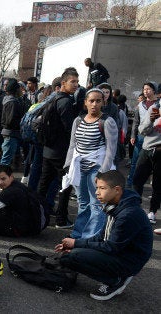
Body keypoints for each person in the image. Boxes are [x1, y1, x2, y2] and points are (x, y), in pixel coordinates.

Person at [56, 170, 152, 301]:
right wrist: (74, 243)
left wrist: (76, 244)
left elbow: (111, 247)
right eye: (97, 188)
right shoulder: (114, 205)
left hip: (129, 260)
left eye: (102, 188)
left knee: (73, 256)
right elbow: (101, 236)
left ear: (117, 189)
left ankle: (116, 280)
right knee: (67, 256)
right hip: (119, 252)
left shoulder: (128, 214)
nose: (97, 192)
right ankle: (114, 274)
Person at [63, 88, 118, 239]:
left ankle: (90, 237)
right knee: (82, 202)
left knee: (96, 204)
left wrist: (102, 173)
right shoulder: (78, 120)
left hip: (97, 167)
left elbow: (111, 150)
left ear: (103, 102)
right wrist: (68, 166)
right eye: (91, 101)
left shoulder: (107, 121)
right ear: (85, 102)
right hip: (79, 167)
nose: (94, 104)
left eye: (98, 101)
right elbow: (72, 144)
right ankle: (78, 234)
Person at [37, 68, 80, 229]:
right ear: (63, 83)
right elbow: (70, 128)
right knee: (66, 185)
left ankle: (38, 213)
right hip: (60, 151)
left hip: (48, 149)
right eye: (72, 82)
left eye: (77, 81)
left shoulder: (54, 98)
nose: (76, 85)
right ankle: (61, 219)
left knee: (44, 184)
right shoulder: (66, 102)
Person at [132, 82, 161, 224]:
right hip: (148, 148)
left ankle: (152, 212)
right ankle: (135, 209)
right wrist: (152, 120)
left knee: (158, 184)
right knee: (137, 179)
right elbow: (142, 130)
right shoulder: (156, 109)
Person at [127, 83, 158, 189]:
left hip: (153, 138)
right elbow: (136, 121)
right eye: (144, 89)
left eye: (148, 89)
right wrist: (133, 135)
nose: (145, 91)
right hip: (140, 136)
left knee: (152, 164)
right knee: (135, 161)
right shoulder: (141, 105)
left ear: (154, 90)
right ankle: (130, 183)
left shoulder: (158, 104)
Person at [0, 78, 25, 167]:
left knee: (6, 157)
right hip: (11, 133)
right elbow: (10, 120)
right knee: (6, 159)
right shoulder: (12, 102)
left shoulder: (8, 100)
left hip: (9, 132)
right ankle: (2, 177)